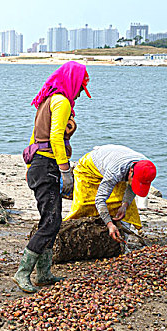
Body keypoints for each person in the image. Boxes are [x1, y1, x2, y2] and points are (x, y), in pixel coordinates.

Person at [13, 61, 91, 293]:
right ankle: (22, 272)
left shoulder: (47, 99)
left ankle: (44, 273)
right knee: (52, 221)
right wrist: (65, 171)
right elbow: (56, 138)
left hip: (40, 165)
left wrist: (31, 166)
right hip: (47, 166)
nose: (78, 94)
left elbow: (34, 136)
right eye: (79, 88)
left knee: (49, 219)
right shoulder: (62, 101)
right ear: (72, 83)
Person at [64, 144, 157, 245]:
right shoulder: (115, 172)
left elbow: (132, 187)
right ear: (131, 171)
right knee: (84, 206)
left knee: (124, 206)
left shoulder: (146, 167)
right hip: (88, 170)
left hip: (112, 163)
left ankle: (122, 242)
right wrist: (109, 224)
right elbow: (100, 199)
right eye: (134, 181)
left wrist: (124, 205)